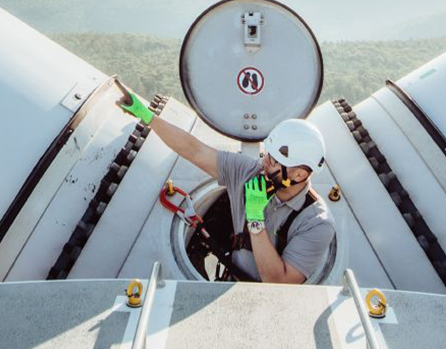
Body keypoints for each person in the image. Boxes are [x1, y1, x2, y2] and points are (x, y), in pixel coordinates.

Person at [118, 86, 334, 284]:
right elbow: (195, 150)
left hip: (272, 306)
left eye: (275, 162)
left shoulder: (316, 223)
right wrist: (148, 116)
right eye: (267, 156)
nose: (265, 164)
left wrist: (255, 218)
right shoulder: (248, 172)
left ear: (299, 174)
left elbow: (279, 283)